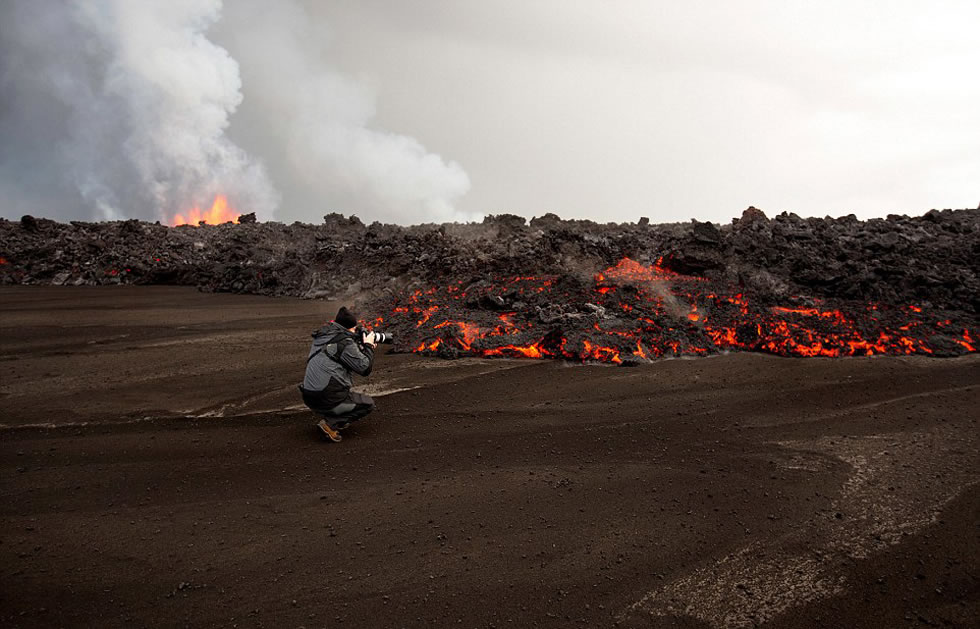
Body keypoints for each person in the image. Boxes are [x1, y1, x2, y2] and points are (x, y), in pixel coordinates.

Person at [299, 306, 378, 442]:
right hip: (325, 397)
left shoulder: (323, 336)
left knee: (340, 394)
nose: (355, 332)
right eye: (354, 329)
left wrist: (359, 345)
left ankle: (336, 415)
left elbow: (339, 355)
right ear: (348, 328)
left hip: (309, 396)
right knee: (367, 404)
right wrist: (369, 346)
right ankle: (331, 424)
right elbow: (365, 368)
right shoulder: (344, 342)